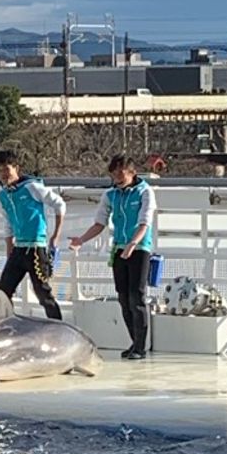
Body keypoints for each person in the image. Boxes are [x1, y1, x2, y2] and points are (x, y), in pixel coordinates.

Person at [69, 153, 157, 360]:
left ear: (132, 173)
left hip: (139, 248)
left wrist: (133, 244)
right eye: (114, 174)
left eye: (121, 173)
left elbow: (144, 223)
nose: (117, 177)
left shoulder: (145, 192)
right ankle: (133, 341)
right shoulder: (110, 195)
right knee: (123, 298)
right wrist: (81, 239)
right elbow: (100, 223)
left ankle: (140, 347)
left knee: (137, 297)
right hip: (118, 248)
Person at [0, 148, 65, 320]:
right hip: (19, 249)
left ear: (16, 168)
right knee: (3, 290)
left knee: (43, 293)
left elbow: (59, 204)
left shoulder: (32, 187)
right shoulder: (3, 195)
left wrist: (55, 235)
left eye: (6, 169)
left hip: (35, 248)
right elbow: (8, 224)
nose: (3, 174)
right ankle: (6, 325)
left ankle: (57, 328)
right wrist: (9, 246)